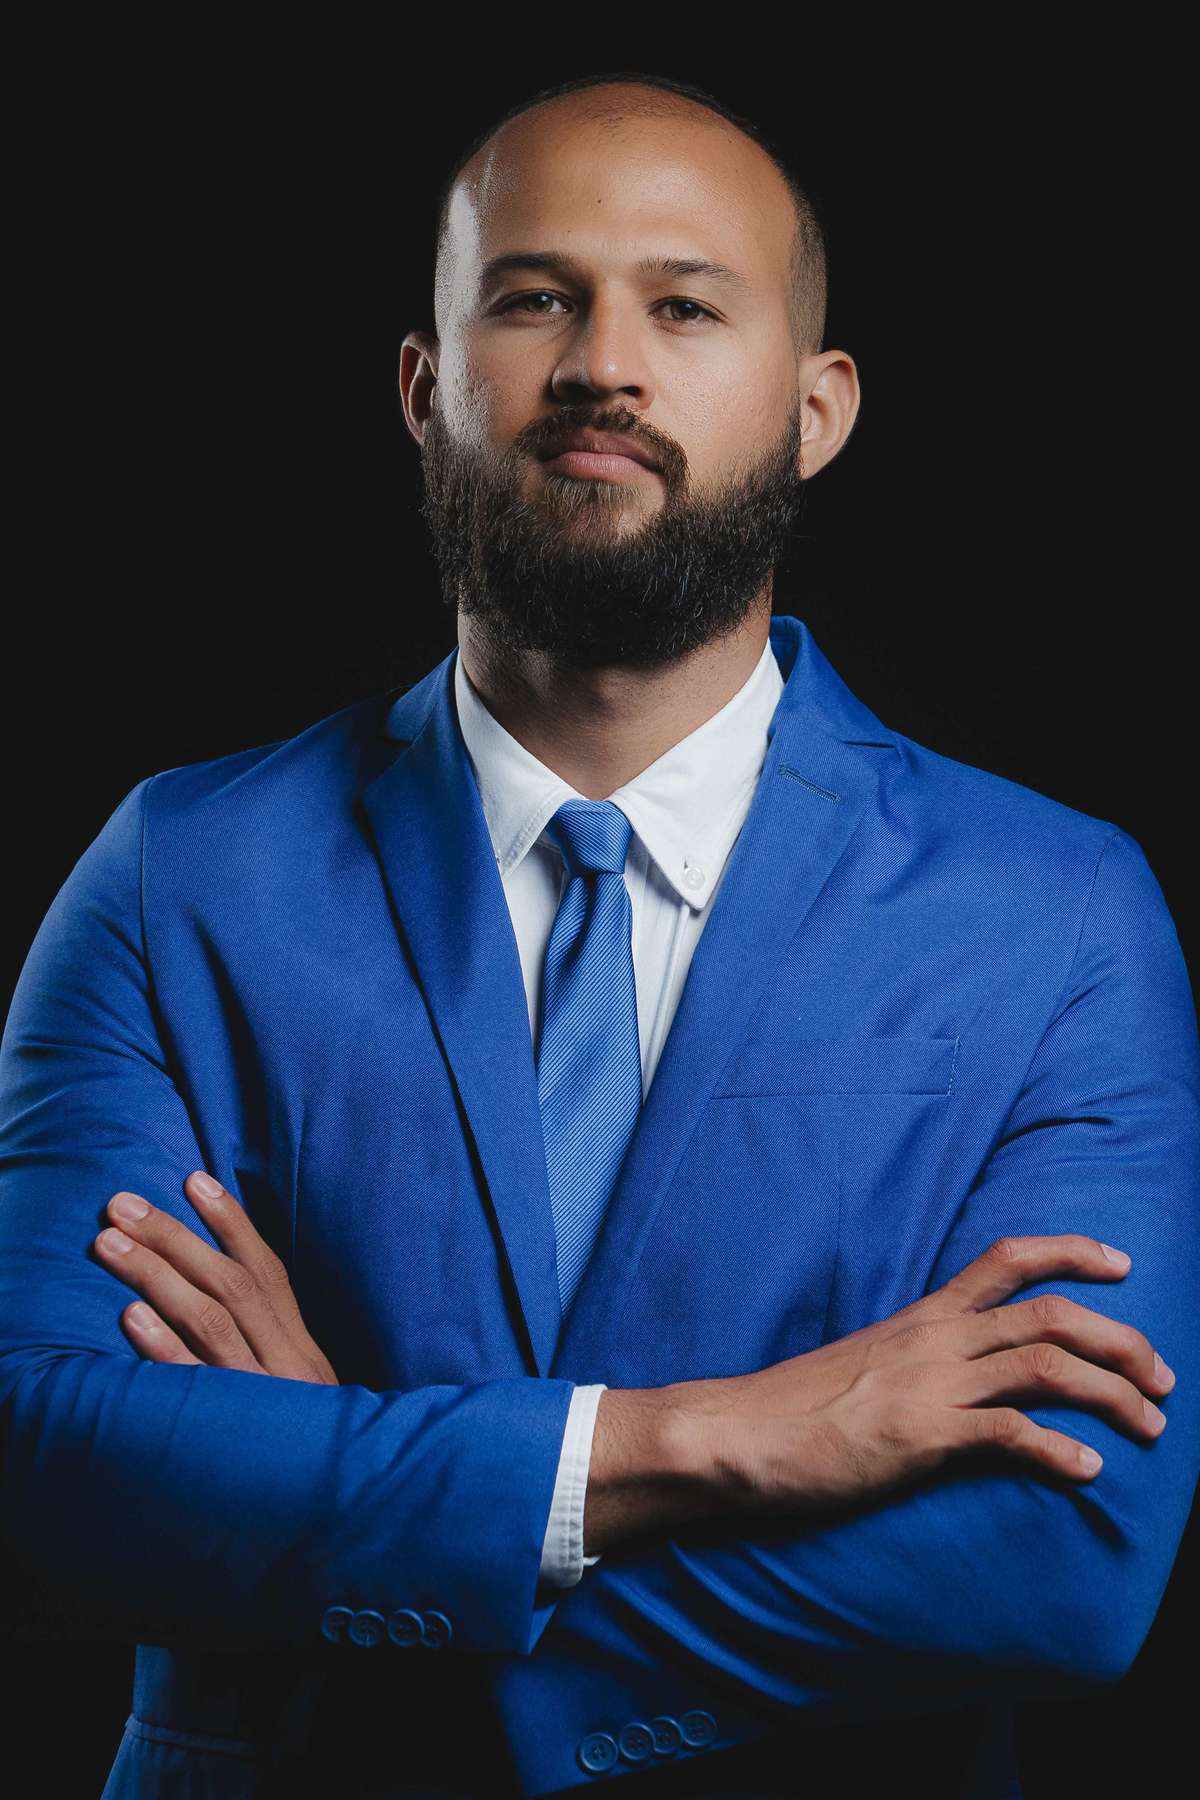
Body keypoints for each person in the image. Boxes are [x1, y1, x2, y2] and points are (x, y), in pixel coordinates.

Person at [0, 69, 1196, 1800]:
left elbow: (1061, 1563)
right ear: (426, 388)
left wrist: (336, 1504)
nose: (602, 366)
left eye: (685, 307)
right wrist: (709, 1440)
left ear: (816, 408)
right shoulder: (177, 873)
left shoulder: (1059, 911)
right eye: (533, 298)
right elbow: (43, 1464)